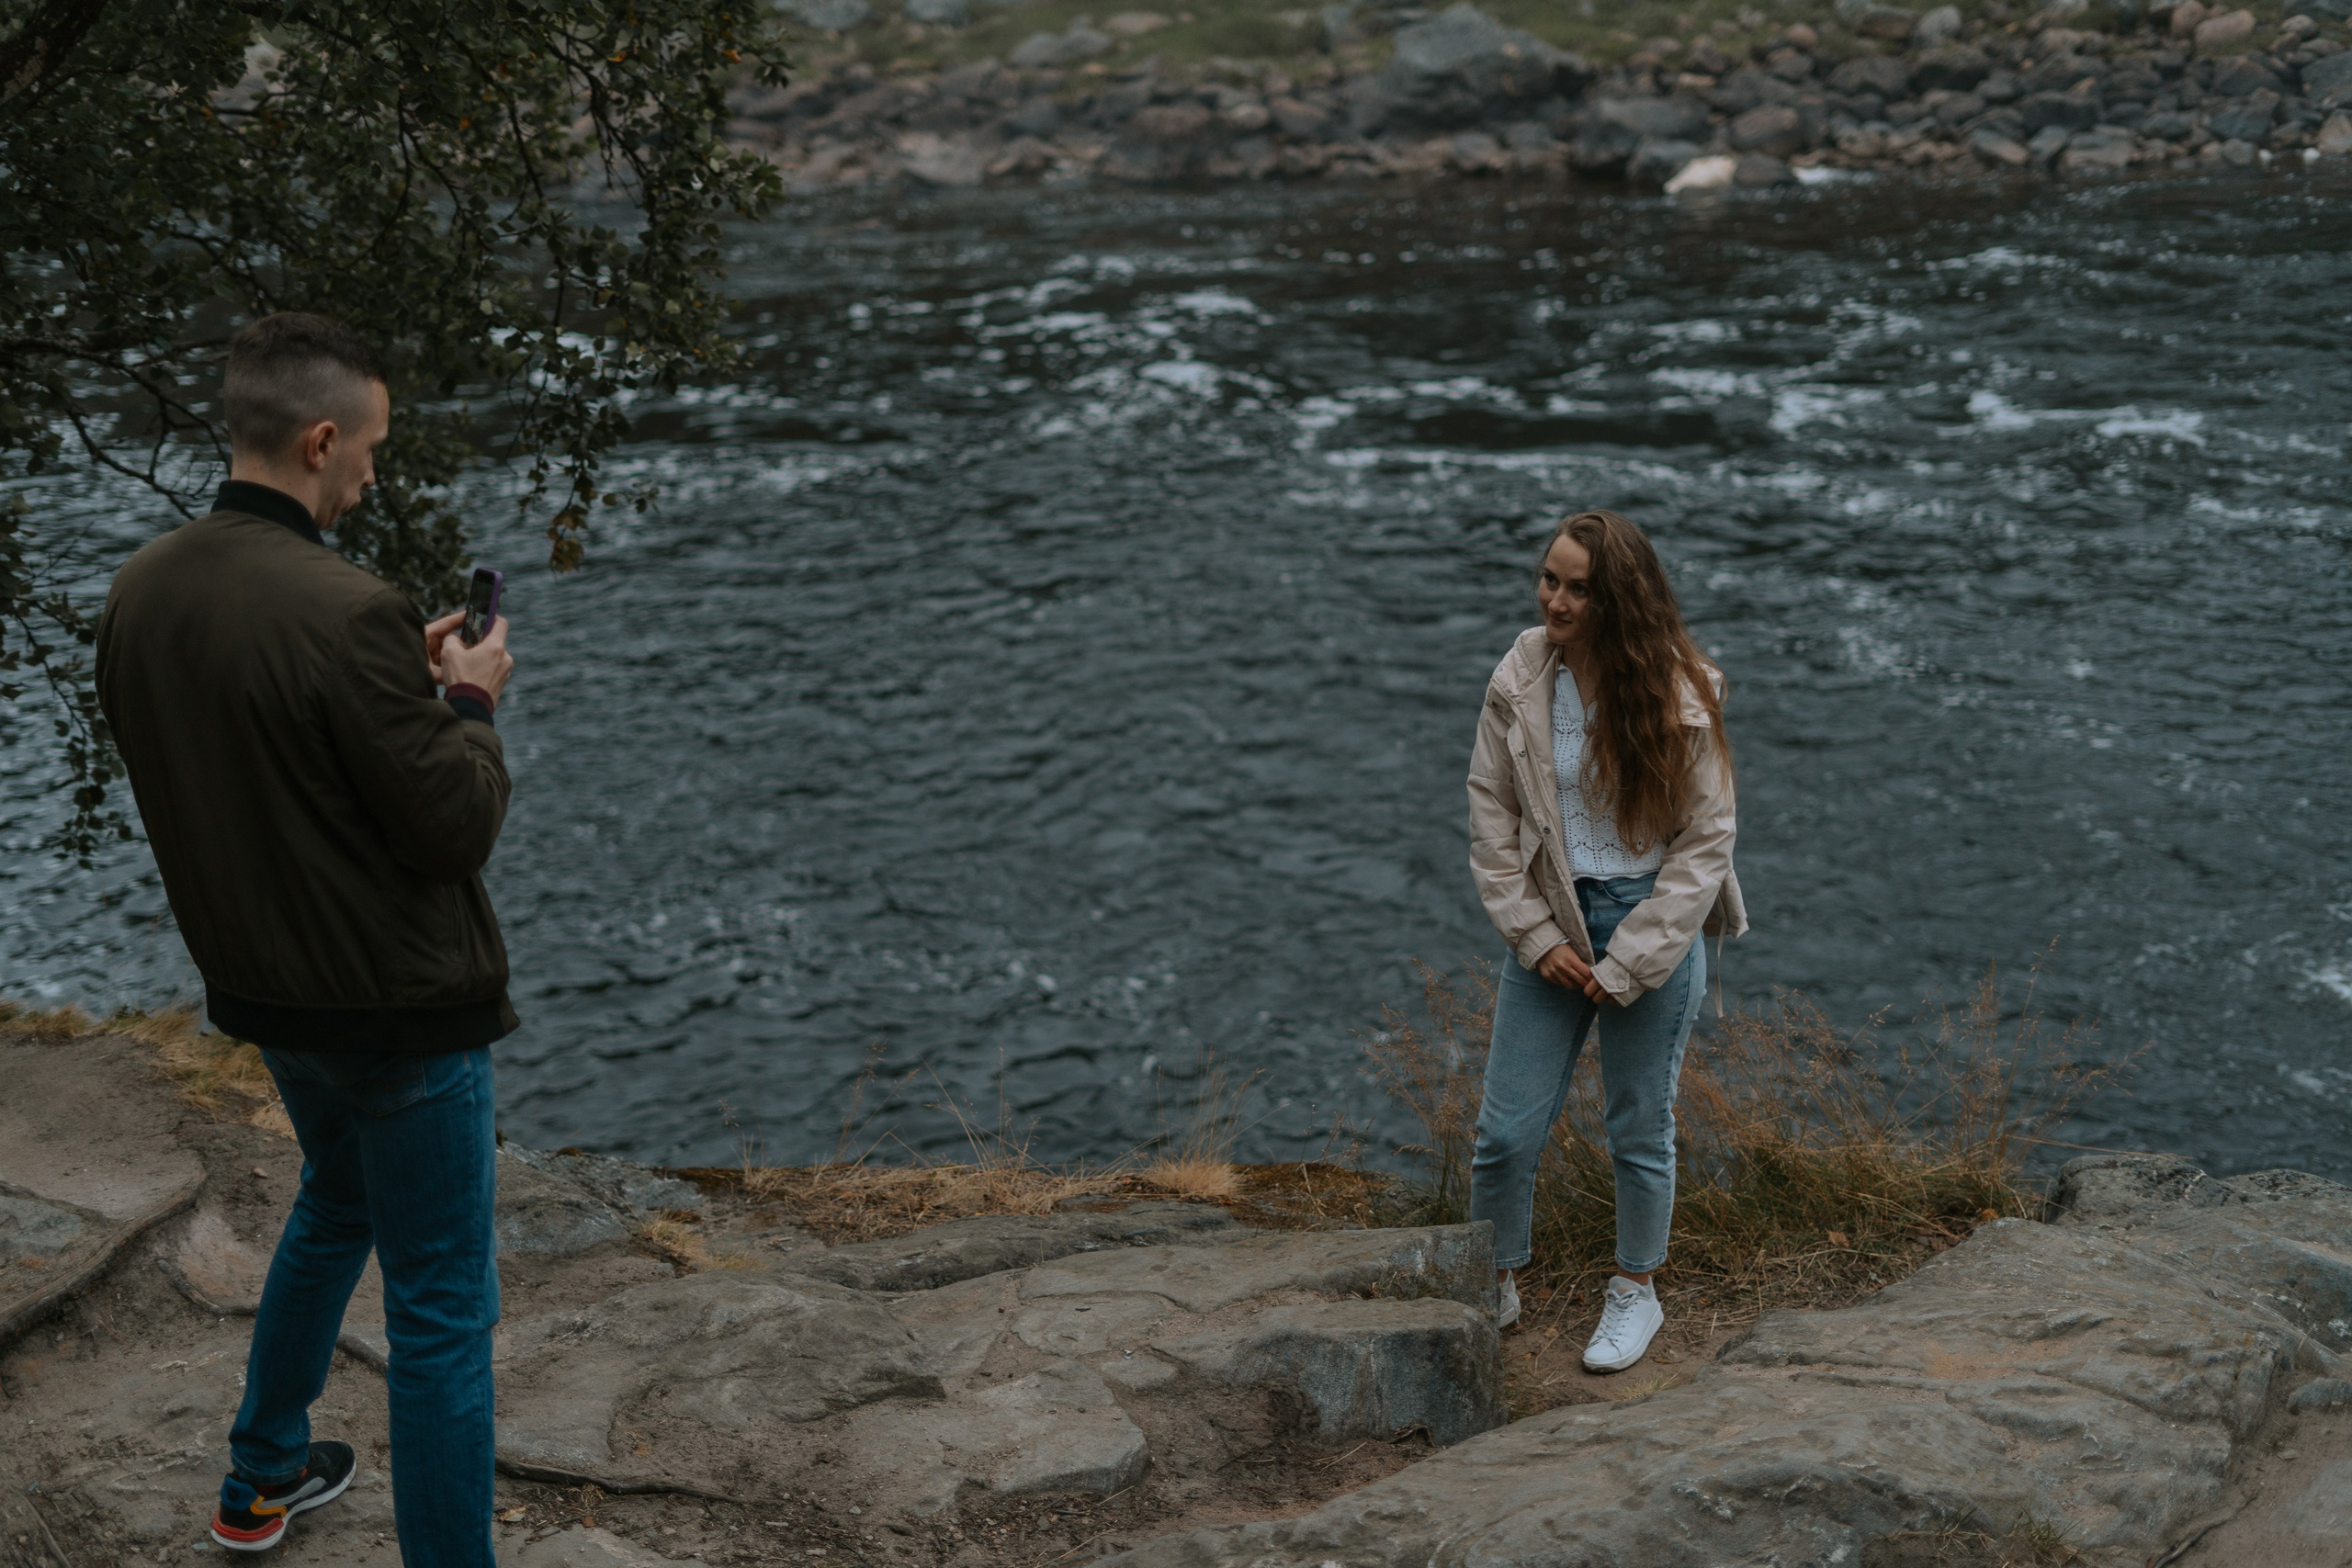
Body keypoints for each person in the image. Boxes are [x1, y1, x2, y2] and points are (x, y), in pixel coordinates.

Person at [95, 312, 518, 1563]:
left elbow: (271, 761)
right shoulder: (349, 610)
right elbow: (452, 825)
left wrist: (409, 686)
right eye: (372, 448)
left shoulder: (143, 587)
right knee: (443, 1308)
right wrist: (469, 702)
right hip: (398, 1009)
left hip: (266, 996)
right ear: (322, 439)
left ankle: (262, 1471)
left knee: (337, 1200)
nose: (374, 473)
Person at [1463, 508, 1744, 1374]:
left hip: (1650, 919)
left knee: (1638, 1125)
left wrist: (1632, 959)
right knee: (1503, 1132)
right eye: (1550, 578)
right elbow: (1491, 816)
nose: (1556, 598)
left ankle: (1635, 1290)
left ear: (1617, 598)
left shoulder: (1678, 689)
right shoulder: (1518, 675)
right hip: (1553, 923)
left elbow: (1706, 843)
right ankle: (1495, 1279)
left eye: (1578, 587)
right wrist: (1537, 935)